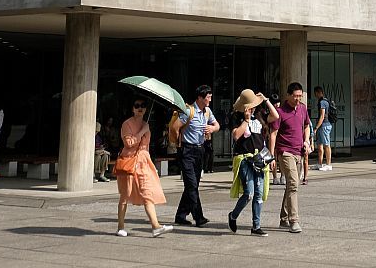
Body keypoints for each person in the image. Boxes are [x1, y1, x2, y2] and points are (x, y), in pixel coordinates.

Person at [115, 97, 173, 238]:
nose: (140, 108)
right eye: (137, 105)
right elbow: (129, 143)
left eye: (143, 105)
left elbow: (145, 146)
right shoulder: (126, 124)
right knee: (125, 195)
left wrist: (145, 129)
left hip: (144, 163)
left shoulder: (146, 124)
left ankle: (156, 226)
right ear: (132, 108)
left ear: (146, 109)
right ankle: (120, 227)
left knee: (148, 193)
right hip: (129, 162)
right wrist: (142, 131)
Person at [228, 89, 277, 235]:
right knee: (249, 193)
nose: (252, 108)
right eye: (249, 106)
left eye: (253, 105)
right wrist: (246, 120)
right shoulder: (236, 117)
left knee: (259, 194)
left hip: (260, 158)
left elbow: (276, 116)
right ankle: (233, 215)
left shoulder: (260, 116)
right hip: (244, 158)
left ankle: (256, 226)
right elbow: (236, 135)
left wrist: (266, 100)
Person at [170, 84, 219, 227]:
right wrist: (178, 142)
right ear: (199, 98)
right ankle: (199, 217)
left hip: (200, 150)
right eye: (208, 97)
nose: (210, 100)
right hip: (187, 151)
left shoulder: (207, 111)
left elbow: (217, 125)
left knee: (193, 185)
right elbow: (174, 127)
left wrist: (212, 128)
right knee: (191, 185)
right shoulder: (188, 111)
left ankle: (180, 215)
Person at [273, 81, 310, 233]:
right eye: (295, 96)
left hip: (299, 151)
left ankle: (283, 218)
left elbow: (307, 125)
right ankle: (294, 220)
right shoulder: (280, 112)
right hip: (285, 151)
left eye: (300, 96)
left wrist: (307, 140)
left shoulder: (302, 108)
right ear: (288, 95)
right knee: (294, 183)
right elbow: (273, 134)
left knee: (291, 185)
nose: (298, 99)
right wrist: (271, 154)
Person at [313, 86, 334, 170]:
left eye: (315, 93)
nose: (315, 95)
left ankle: (328, 164)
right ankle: (320, 163)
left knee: (326, 144)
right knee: (320, 144)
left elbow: (322, 116)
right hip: (323, 125)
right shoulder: (324, 101)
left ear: (318, 92)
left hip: (324, 125)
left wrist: (316, 127)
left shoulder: (322, 102)